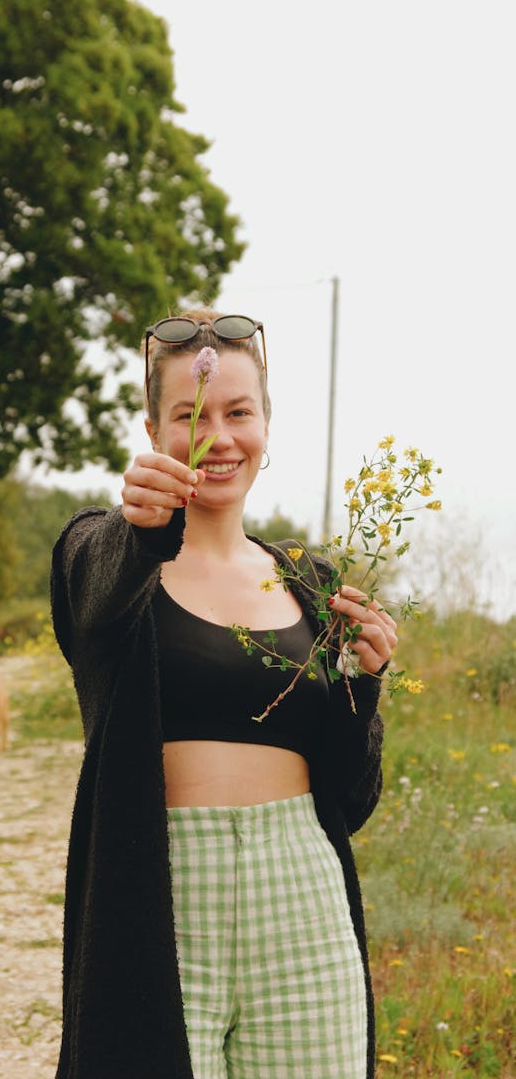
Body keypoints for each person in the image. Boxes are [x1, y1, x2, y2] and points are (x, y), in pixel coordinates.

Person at [50, 308, 397, 1079]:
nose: (219, 435)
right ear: (153, 431)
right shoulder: (103, 553)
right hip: (160, 900)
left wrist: (362, 686)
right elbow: (97, 584)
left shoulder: (313, 585)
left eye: (239, 411)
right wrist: (139, 525)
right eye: (190, 415)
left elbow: (351, 798)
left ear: (266, 425)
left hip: (301, 895)